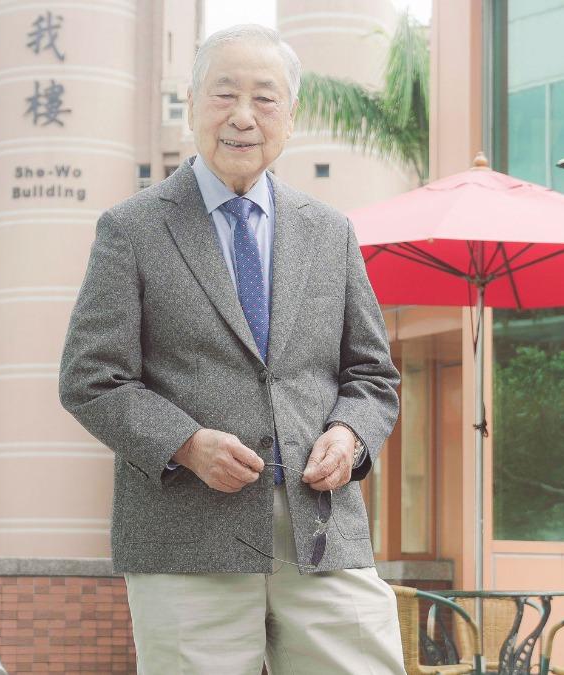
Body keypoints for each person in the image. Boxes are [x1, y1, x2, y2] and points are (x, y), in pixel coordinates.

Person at [59, 23, 404, 674]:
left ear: (290, 117)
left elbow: (372, 375)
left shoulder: (330, 231)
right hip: (187, 539)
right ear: (191, 104)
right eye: (225, 94)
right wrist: (187, 443)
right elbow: (91, 377)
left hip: (322, 531)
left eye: (264, 99)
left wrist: (351, 435)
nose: (243, 116)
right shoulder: (132, 229)